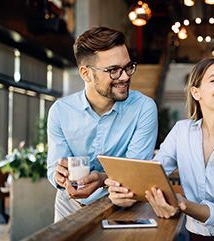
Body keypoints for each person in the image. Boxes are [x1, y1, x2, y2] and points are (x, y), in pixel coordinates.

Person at [106, 57, 214, 241]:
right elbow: (152, 173)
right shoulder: (182, 131)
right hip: (195, 235)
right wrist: (124, 193)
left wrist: (181, 203)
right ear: (196, 93)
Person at [47, 26, 158, 222]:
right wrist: (59, 176)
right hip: (69, 206)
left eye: (128, 66)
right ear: (86, 74)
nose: (125, 76)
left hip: (122, 205)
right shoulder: (60, 111)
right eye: (113, 70)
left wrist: (101, 179)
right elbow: (53, 169)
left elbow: (135, 173)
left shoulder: (144, 108)